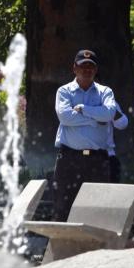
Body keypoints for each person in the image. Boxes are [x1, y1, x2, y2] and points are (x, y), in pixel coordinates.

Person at [51, 49, 117, 221]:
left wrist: (83, 109)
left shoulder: (105, 92)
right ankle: (60, 247)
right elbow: (65, 117)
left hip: (97, 160)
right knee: (62, 209)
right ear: (74, 68)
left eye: (91, 67)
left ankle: (96, 248)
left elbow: (110, 113)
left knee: (98, 210)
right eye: (83, 66)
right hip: (69, 159)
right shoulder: (64, 91)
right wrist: (95, 119)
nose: (87, 70)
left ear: (96, 70)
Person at [106, 101, 128, 183]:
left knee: (109, 194)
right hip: (77, 157)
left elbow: (122, 124)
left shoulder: (108, 101)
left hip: (106, 156)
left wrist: (111, 109)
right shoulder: (70, 98)